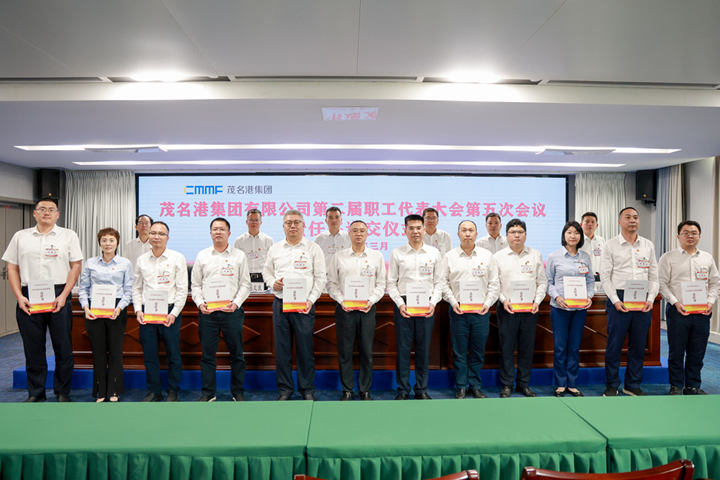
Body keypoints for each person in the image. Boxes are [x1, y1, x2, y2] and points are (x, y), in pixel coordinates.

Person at [2, 197, 83, 402]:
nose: (47, 212)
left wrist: (64, 295)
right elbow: (12, 268)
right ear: (35, 213)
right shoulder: (21, 236)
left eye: (51, 210)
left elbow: (76, 266)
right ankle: (36, 393)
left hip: (59, 295)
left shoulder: (68, 235)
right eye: (42, 209)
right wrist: (19, 296)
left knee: (63, 347)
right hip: (29, 295)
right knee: (33, 348)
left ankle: (62, 391)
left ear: (57, 214)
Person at [263, 210, 326, 401]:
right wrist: (273, 283)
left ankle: (307, 390)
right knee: (282, 350)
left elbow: (320, 278)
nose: (292, 226)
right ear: (283, 226)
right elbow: (267, 272)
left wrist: (311, 300)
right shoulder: (275, 249)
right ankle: (285, 390)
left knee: (305, 349)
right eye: (288, 222)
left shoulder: (313, 248)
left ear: (303, 225)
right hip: (281, 303)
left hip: (304, 305)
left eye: (297, 222)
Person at [192, 217, 252, 402]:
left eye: (222, 229)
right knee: (207, 356)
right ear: (210, 233)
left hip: (231, 312)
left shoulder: (239, 256)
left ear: (229, 233)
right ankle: (208, 393)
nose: (218, 232)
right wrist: (200, 303)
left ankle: (237, 392)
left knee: (237, 354)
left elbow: (245, 284)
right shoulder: (202, 255)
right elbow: (195, 285)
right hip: (208, 313)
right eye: (215, 229)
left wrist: (236, 303)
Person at [600, 207, 659, 397]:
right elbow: (605, 277)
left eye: (635, 217)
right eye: (628, 217)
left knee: (638, 345)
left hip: (642, 299)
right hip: (619, 298)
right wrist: (615, 300)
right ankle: (612, 384)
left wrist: (650, 298)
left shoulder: (648, 245)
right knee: (614, 345)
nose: (632, 220)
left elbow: (654, 276)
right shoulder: (610, 245)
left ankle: (632, 384)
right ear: (620, 222)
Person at [326, 220, 387, 401]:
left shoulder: (376, 256)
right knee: (345, 352)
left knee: (366, 351)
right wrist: (342, 301)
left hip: (367, 310)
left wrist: (370, 301)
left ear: (367, 234)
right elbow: (331, 284)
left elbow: (381, 284)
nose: (358, 233)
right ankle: (347, 390)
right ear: (349, 234)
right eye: (354, 230)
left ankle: (365, 390)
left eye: (362, 231)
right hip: (345, 310)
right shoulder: (339, 256)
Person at [658, 220, 720, 396]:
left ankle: (693, 386)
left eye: (694, 233)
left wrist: (711, 302)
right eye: (686, 233)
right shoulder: (668, 257)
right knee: (676, 351)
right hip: (678, 311)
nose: (690, 236)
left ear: (699, 236)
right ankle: (676, 385)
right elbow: (662, 284)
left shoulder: (707, 258)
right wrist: (675, 302)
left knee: (697, 351)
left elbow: (715, 283)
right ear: (678, 236)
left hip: (702, 312)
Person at [387, 214, 445, 400]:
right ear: (405, 230)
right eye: (411, 228)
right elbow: (391, 283)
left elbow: (439, 282)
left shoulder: (434, 253)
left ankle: (421, 389)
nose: (415, 231)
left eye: (418, 228)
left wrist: (433, 303)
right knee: (403, 350)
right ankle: (403, 389)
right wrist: (400, 303)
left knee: (423, 349)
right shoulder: (397, 253)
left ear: (424, 230)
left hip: (426, 304)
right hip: (404, 304)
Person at [132, 221, 188, 402]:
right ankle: (154, 391)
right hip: (147, 311)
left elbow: (182, 289)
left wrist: (174, 313)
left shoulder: (177, 258)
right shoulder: (141, 259)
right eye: (153, 233)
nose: (156, 237)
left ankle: (173, 390)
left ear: (167, 238)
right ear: (148, 235)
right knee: (149, 355)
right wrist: (138, 309)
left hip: (169, 311)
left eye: (161, 234)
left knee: (173, 353)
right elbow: (137, 288)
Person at [442, 220, 499, 399]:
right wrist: (453, 302)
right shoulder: (449, 256)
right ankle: (460, 386)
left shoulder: (487, 256)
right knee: (459, 352)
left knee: (477, 351)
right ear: (458, 234)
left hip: (480, 311)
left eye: (471, 230)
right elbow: (443, 283)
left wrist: (487, 303)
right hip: (458, 310)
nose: (467, 233)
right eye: (464, 230)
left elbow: (494, 283)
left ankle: (475, 385)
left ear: (476, 234)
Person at [492, 218, 547, 398]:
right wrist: (503, 300)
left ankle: (524, 384)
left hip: (530, 309)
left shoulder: (535, 255)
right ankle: (507, 384)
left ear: (525, 235)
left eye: (520, 232)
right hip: (507, 308)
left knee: (526, 348)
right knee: (507, 348)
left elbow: (542, 282)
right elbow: (494, 284)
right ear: (507, 235)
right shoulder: (498, 257)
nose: (517, 235)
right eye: (513, 232)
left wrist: (537, 301)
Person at [78, 228, 133, 402]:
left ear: (117, 242)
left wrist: (120, 307)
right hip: (94, 309)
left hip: (116, 309)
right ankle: (100, 391)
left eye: (111, 240)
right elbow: (83, 288)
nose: (107, 243)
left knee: (115, 351)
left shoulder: (125, 263)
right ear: (99, 243)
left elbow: (129, 290)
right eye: (104, 240)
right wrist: (85, 307)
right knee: (99, 351)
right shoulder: (90, 263)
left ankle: (114, 390)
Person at [545, 221, 595, 397]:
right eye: (569, 232)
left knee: (574, 347)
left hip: (579, 309)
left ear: (580, 236)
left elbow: (590, 281)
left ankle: (572, 384)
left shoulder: (585, 257)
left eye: (576, 233)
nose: (572, 236)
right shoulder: (554, 257)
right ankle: (560, 384)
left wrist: (589, 296)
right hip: (560, 308)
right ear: (564, 235)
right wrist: (557, 297)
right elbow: (548, 282)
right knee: (560, 347)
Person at [233, 209, 274, 291]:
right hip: (245, 278)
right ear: (246, 222)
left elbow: (272, 262)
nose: (254, 222)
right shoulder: (239, 240)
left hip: (263, 278)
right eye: (251, 220)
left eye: (257, 220)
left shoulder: (268, 240)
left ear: (261, 222)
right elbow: (235, 261)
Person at [314, 206, 352, 274]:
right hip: (325, 276)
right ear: (326, 220)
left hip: (344, 276)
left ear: (341, 220)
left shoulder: (348, 237)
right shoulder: (320, 238)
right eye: (330, 217)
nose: (334, 220)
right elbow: (315, 259)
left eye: (337, 217)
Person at [579, 212, 606, 280]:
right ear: (581, 224)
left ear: (597, 225)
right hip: (582, 277)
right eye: (587, 222)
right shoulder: (578, 240)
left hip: (598, 278)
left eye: (593, 222)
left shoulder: (601, 240)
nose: (590, 224)